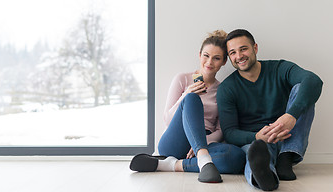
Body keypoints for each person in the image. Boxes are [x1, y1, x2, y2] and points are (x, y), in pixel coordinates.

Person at [130, 30, 246, 183]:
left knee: (237, 157)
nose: (209, 62)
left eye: (216, 58)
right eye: (206, 56)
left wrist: (200, 144)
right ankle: (203, 159)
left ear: (224, 62)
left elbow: (220, 130)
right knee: (192, 98)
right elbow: (167, 119)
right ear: (199, 55)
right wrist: (185, 95)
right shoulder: (182, 79)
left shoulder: (223, 90)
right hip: (176, 140)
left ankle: (170, 165)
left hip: (204, 143)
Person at [217, 29, 323, 191]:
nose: (239, 56)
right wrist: (257, 136)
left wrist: (291, 116)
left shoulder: (279, 68)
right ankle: (266, 177)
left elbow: (314, 81)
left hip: (288, 136)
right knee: (255, 155)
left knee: (304, 89)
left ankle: (286, 158)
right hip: (257, 141)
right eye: (232, 52)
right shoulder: (227, 88)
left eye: (243, 49)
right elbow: (230, 132)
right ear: (230, 57)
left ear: (255, 48)